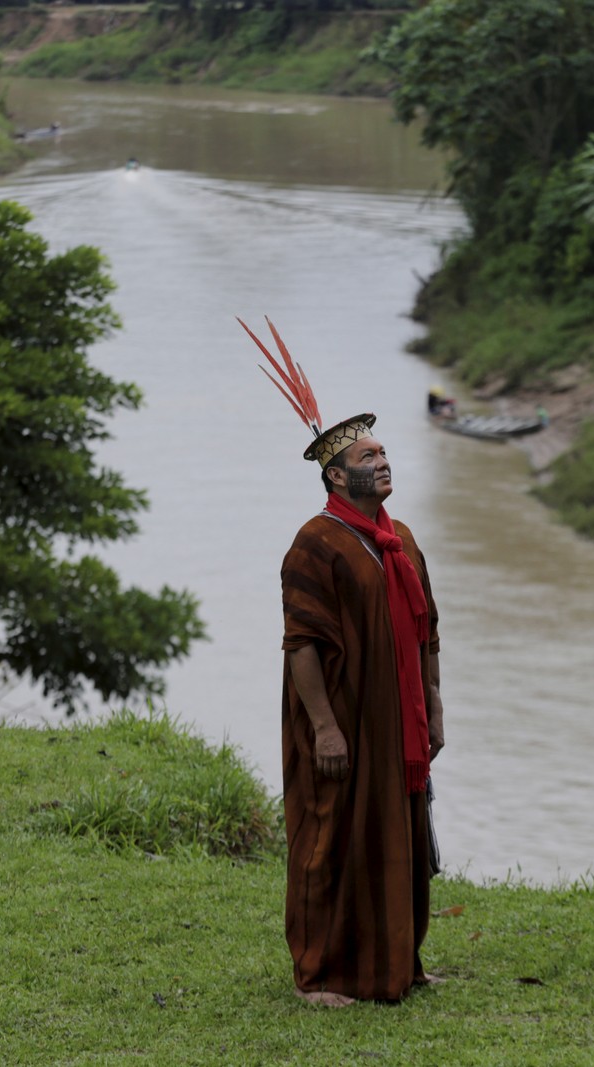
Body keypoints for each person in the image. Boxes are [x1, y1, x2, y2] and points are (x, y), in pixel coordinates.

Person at [240, 316, 445, 1007]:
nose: (383, 462)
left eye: (385, 453)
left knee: (401, 836)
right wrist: (325, 726)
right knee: (333, 836)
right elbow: (302, 644)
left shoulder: (404, 539)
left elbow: (427, 633)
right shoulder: (315, 544)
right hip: (345, 721)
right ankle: (322, 972)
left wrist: (433, 711)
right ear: (335, 475)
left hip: (400, 724)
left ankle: (398, 961)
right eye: (368, 458)